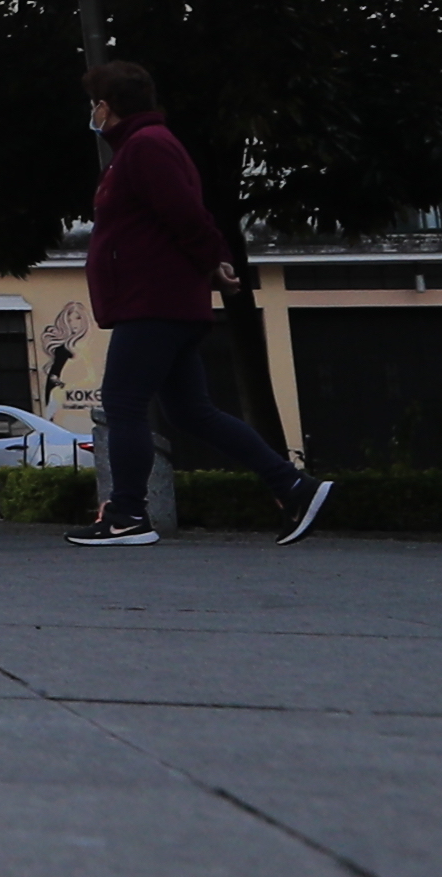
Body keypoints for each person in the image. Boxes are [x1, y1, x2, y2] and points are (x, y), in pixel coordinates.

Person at [66, 61, 333, 549]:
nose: (93, 113)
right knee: (191, 412)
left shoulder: (145, 149)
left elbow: (185, 214)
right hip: (167, 299)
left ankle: (127, 515)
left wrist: (215, 259)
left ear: (106, 106)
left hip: (152, 301)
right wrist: (213, 263)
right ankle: (291, 486)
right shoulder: (145, 147)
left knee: (123, 404)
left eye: (94, 104)